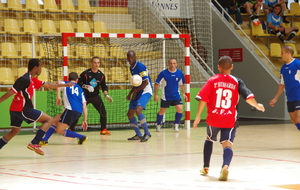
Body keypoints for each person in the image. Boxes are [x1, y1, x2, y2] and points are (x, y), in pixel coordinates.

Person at [193, 56, 265, 181]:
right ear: (232, 67)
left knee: (209, 139)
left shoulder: (212, 80)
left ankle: (206, 167)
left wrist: (198, 116)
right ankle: (225, 166)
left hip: (214, 118)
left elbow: (203, 98)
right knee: (227, 144)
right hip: (229, 119)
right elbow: (248, 97)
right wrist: (257, 105)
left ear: (218, 67)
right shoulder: (237, 81)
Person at [0, 59, 75, 156]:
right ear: (35, 68)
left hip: (16, 109)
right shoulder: (24, 79)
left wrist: (65, 84)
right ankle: (34, 143)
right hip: (22, 109)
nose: (41, 69)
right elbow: (10, 93)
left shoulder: (32, 79)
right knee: (49, 120)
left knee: (15, 130)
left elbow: (47, 85)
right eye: (40, 67)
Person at [39, 72, 88, 145]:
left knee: (60, 130)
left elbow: (58, 83)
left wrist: (58, 96)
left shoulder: (66, 83)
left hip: (70, 110)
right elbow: (84, 105)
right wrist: (85, 120)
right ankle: (45, 140)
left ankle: (81, 137)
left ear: (68, 79)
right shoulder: (80, 90)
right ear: (77, 80)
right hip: (78, 112)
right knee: (54, 120)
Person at [71, 56, 113, 135]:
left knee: (103, 112)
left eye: (98, 63)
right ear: (91, 63)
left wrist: (106, 95)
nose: (96, 65)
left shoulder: (101, 75)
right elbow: (78, 83)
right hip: (85, 96)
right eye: (95, 63)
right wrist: (85, 86)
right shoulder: (85, 74)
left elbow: (104, 86)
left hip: (95, 96)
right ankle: (70, 129)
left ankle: (103, 129)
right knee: (77, 112)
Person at [270, 45, 300, 131]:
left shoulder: (297, 64)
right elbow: (282, 84)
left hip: (298, 96)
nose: (280, 55)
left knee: (298, 118)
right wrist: (275, 98)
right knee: (294, 119)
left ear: (288, 53)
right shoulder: (283, 68)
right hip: (290, 97)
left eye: (282, 53)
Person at [154, 58, 187, 132]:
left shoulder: (180, 73)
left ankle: (176, 125)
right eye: (171, 63)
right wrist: (155, 94)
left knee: (180, 108)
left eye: (174, 63)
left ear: (176, 64)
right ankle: (158, 125)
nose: (172, 65)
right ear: (168, 64)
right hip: (165, 96)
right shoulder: (163, 73)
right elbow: (156, 83)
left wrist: (184, 94)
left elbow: (182, 85)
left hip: (176, 95)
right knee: (162, 110)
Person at [126, 50, 153, 142]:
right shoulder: (131, 68)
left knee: (138, 110)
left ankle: (147, 133)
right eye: (129, 58)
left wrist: (135, 92)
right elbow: (136, 83)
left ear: (135, 57)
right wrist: (130, 93)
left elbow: (145, 82)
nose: (130, 59)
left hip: (146, 91)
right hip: (138, 90)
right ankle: (138, 134)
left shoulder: (140, 66)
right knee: (130, 114)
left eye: (132, 57)